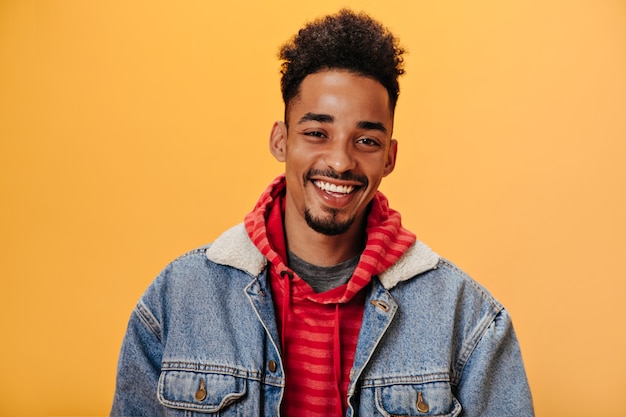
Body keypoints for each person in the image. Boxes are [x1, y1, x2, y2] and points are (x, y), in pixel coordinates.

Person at [111, 9, 534, 417]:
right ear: (281, 140)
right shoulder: (176, 299)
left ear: (390, 157)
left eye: (366, 141)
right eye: (317, 133)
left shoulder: (470, 321)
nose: (340, 162)